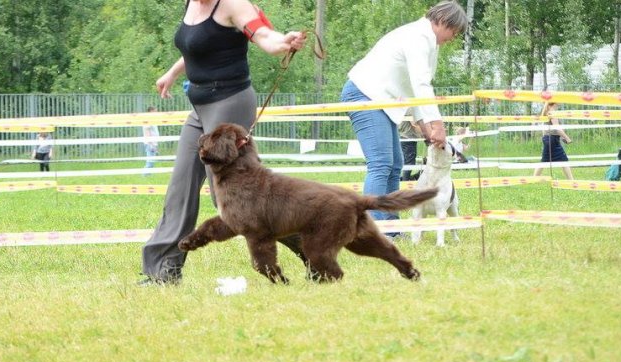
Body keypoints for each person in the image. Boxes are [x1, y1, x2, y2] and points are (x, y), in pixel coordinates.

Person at [139, 0, 307, 285]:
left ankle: (312, 247)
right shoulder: (192, 3)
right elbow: (198, 46)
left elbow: (263, 35)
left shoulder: (233, 4)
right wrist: (173, 72)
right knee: (180, 188)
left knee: (236, 198)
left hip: (230, 103)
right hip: (200, 109)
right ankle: (164, 272)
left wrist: (283, 42)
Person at [340, 1, 467, 224]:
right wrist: (438, 125)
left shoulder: (429, 42)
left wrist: (425, 126)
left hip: (381, 101)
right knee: (381, 164)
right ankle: (372, 229)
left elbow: (414, 88)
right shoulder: (419, 37)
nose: (452, 38)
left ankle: (390, 226)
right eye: (453, 32)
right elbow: (420, 85)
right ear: (443, 21)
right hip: (364, 94)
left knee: (394, 164)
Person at [533, 102, 573, 180]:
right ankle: (571, 180)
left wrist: (560, 137)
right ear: (554, 103)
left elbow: (549, 130)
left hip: (549, 139)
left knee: (545, 160)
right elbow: (557, 129)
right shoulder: (552, 113)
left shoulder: (547, 112)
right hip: (552, 140)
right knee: (563, 160)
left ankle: (534, 178)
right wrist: (567, 138)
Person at [398, 115, 424, 181]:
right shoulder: (410, 108)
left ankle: (404, 180)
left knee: (409, 163)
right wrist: (426, 133)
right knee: (409, 164)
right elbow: (414, 124)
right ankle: (405, 182)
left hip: (406, 137)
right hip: (408, 138)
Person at [142, 106, 160, 176]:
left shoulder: (153, 120)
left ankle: (148, 174)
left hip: (153, 143)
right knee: (150, 161)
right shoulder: (148, 120)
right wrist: (151, 144)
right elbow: (147, 132)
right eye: (155, 111)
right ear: (151, 111)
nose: (157, 113)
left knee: (152, 161)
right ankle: (145, 174)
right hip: (150, 143)